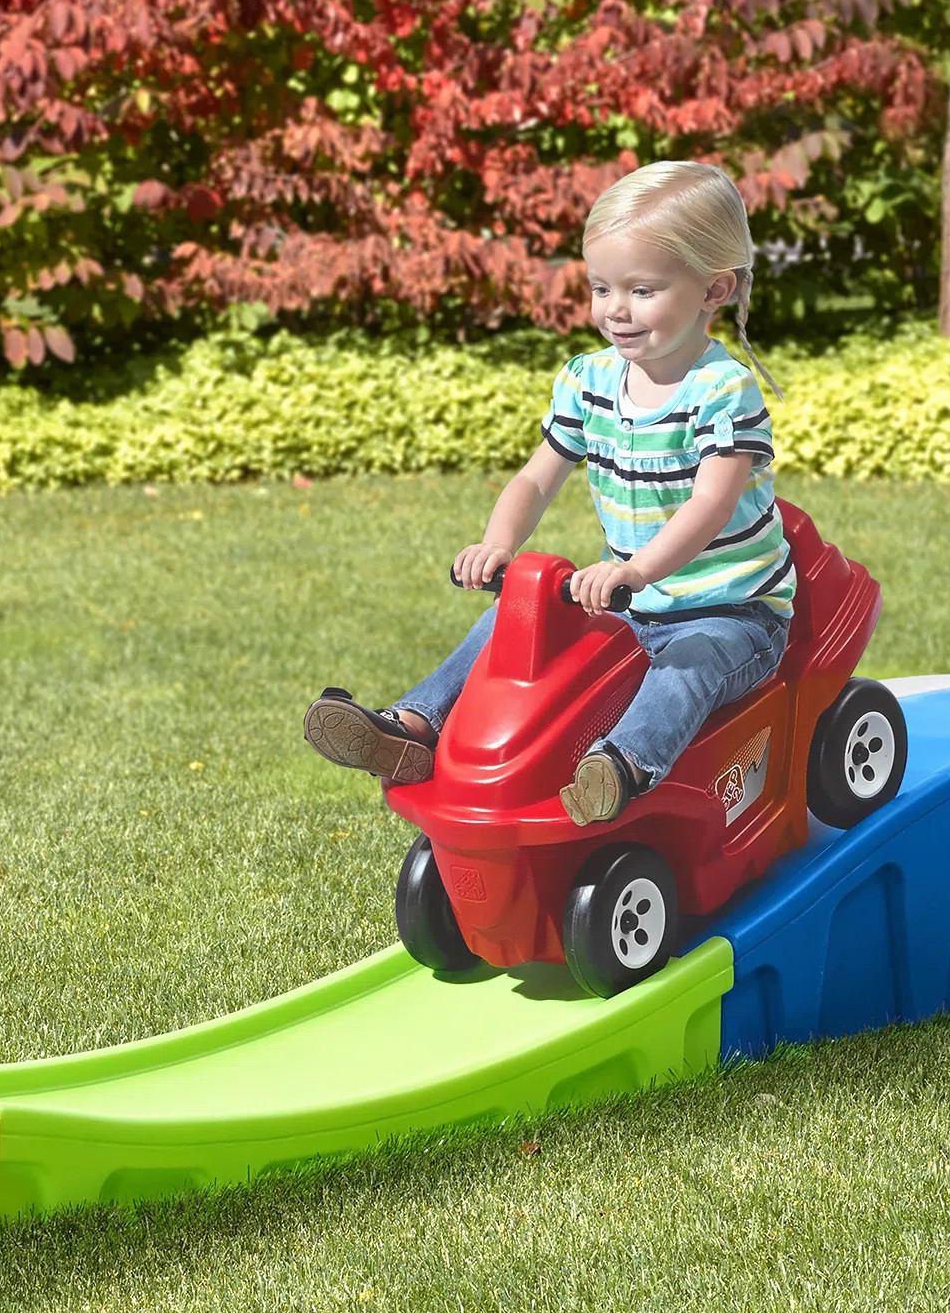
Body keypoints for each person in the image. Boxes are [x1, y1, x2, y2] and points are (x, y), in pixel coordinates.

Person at [302, 162, 795, 822]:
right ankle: (413, 726)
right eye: (601, 287)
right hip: (630, 602)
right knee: (509, 621)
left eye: (642, 290)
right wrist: (497, 543)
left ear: (714, 289)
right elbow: (537, 477)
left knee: (691, 666)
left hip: (731, 610)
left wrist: (636, 571)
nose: (615, 309)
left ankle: (620, 767)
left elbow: (710, 506)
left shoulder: (722, 390)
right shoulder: (589, 382)